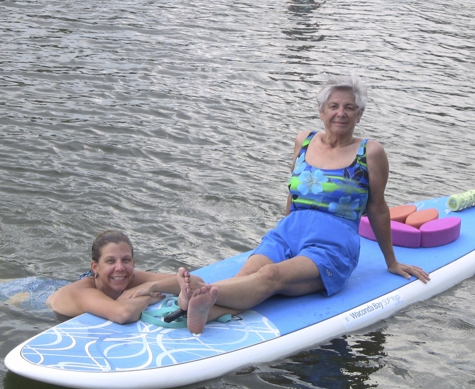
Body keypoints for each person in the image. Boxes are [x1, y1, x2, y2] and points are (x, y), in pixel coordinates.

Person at [124, 76, 430, 333]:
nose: (341, 113)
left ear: (359, 115)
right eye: (334, 106)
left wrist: (391, 261)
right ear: (321, 111)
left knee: (270, 278)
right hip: (289, 233)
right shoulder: (304, 140)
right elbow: (293, 192)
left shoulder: (370, 152)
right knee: (247, 277)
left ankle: (190, 296)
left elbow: (377, 207)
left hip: (333, 243)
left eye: (349, 108)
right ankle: (208, 310)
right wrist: (283, 233)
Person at [46, 230, 238, 327]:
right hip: (35, 302)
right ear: (95, 266)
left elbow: (195, 282)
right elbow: (123, 314)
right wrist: (147, 297)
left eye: (126, 260)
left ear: (134, 263)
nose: (120, 268)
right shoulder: (82, 291)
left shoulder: (129, 278)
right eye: (111, 261)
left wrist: (150, 285)